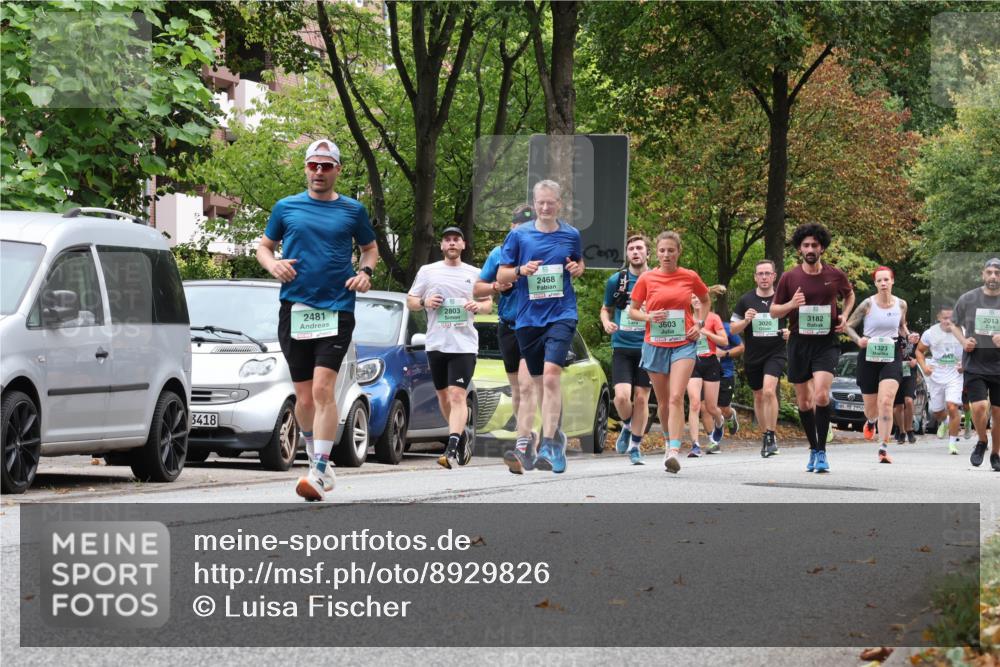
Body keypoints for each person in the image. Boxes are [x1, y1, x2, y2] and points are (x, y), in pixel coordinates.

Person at [256, 138, 378, 501]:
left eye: (326, 166)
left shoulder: (353, 210)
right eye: (313, 165)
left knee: (324, 389)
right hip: (295, 310)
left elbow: (369, 249)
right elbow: (264, 247)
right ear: (306, 168)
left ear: (337, 169)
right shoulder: (286, 207)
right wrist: (273, 265)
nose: (319, 172)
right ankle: (315, 457)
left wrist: (365, 272)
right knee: (304, 397)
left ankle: (319, 470)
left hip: (337, 309)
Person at [496, 180, 585, 474]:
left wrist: (577, 268)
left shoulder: (571, 234)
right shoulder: (519, 235)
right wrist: (521, 270)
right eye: (540, 202)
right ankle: (554, 438)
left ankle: (547, 444)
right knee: (537, 383)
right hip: (528, 319)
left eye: (550, 202)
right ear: (534, 204)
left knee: (550, 376)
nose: (545, 207)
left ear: (559, 203)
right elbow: (502, 275)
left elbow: (579, 264)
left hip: (561, 314)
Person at [771, 223, 855, 474]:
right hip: (799, 342)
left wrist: (845, 316)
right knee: (805, 401)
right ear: (799, 249)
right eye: (806, 245)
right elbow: (774, 311)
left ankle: (822, 452)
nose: (810, 249)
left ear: (822, 248)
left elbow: (849, 295)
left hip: (826, 343)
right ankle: (813, 447)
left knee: (821, 395)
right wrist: (791, 304)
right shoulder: (789, 277)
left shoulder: (835, 275)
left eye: (814, 245)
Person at [408, 228, 492, 469]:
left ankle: (452, 447)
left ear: (463, 245)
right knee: (443, 396)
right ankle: (461, 434)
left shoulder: (476, 273)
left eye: (456, 239)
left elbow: (488, 304)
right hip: (436, 343)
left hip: (464, 345)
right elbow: (411, 301)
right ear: (442, 245)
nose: (452, 243)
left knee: (457, 395)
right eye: (448, 240)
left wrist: (477, 306)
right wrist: (424, 301)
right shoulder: (428, 271)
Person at [628, 231, 710, 474]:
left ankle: (674, 451)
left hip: (684, 342)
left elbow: (705, 300)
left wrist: (700, 324)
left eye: (671, 250)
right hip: (655, 344)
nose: (666, 255)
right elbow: (632, 311)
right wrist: (648, 316)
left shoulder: (689, 276)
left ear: (678, 252)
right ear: (656, 253)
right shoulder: (647, 278)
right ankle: (667, 441)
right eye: (662, 250)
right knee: (663, 402)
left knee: (676, 396)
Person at [474, 204, 538, 471]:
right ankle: (528, 435)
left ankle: (521, 445)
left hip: (534, 327)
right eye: (518, 227)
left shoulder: (543, 253)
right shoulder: (499, 254)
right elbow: (478, 289)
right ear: (512, 228)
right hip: (508, 326)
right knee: (517, 390)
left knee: (526, 385)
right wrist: (495, 286)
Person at [845, 267, 909, 464]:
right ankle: (871, 421)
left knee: (887, 401)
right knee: (871, 408)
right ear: (875, 284)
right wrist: (858, 340)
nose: (883, 283)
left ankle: (883, 448)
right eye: (879, 280)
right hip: (869, 355)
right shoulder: (868, 304)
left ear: (892, 281)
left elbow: (902, 326)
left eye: (886, 280)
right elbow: (848, 325)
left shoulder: (901, 304)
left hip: (891, 354)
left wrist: (910, 335)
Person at [600, 234, 653, 465]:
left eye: (640, 248)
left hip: (649, 346)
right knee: (621, 397)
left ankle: (635, 447)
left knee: (641, 399)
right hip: (622, 345)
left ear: (648, 253)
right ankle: (629, 425)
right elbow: (606, 308)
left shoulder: (657, 279)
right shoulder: (618, 280)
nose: (635, 252)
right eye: (631, 249)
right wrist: (606, 323)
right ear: (627, 254)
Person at [730, 259, 787, 458]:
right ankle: (765, 435)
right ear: (755, 277)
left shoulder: (782, 299)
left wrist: (790, 332)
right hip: (753, 355)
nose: (764, 277)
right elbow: (732, 329)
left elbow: (796, 323)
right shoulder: (746, 300)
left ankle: (771, 435)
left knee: (769, 390)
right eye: (760, 274)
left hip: (776, 352)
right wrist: (746, 320)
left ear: (774, 276)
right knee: (759, 395)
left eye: (767, 273)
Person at [949, 257, 1000, 471]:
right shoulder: (968, 299)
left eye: (997, 273)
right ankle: (982, 440)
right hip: (975, 363)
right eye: (989, 272)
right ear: (983, 274)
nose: (993, 276)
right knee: (979, 407)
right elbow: (953, 324)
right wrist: (963, 341)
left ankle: (995, 453)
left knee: (998, 413)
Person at [685, 289, 729, 457]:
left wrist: (706, 332)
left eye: (698, 297)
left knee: (711, 407)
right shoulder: (686, 318)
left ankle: (719, 420)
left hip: (710, 362)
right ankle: (695, 445)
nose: (696, 300)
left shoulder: (713, 318)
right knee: (695, 403)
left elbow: (724, 341)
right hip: (692, 362)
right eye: (693, 297)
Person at [916, 307, 965, 455]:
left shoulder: (963, 331)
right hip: (936, 376)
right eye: (945, 318)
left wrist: (965, 365)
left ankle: (952, 444)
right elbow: (919, 351)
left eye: (952, 318)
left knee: (952, 406)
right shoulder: (930, 333)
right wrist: (924, 367)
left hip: (955, 375)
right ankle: (945, 422)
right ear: (938, 318)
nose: (948, 321)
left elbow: (974, 351)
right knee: (937, 411)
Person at [709, 316, 745, 453]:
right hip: (706, 372)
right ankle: (714, 437)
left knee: (723, 408)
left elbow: (741, 347)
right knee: (708, 406)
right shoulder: (698, 326)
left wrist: (724, 353)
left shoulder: (727, 328)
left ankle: (730, 415)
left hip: (725, 373)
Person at [893, 331, 921, 444]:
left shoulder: (913, 338)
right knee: (898, 406)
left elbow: (921, 353)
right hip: (896, 373)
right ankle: (901, 431)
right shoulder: (892, 337)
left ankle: (909, 430)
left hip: (910, 374)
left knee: (909, 401)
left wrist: (916, 361)